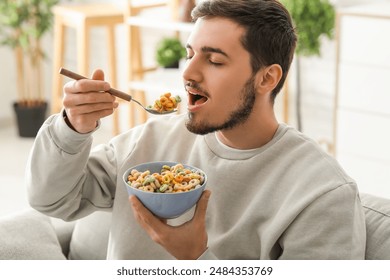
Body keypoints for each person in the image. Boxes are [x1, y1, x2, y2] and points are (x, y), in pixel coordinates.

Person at [26, 0, 366, 259]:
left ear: (267, 78)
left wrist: (197, 260)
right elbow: (50, 200)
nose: (188, 72)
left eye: (214, 60)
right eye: (189, 54)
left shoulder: (322, 194)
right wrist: (73, 127)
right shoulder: (149, 141)